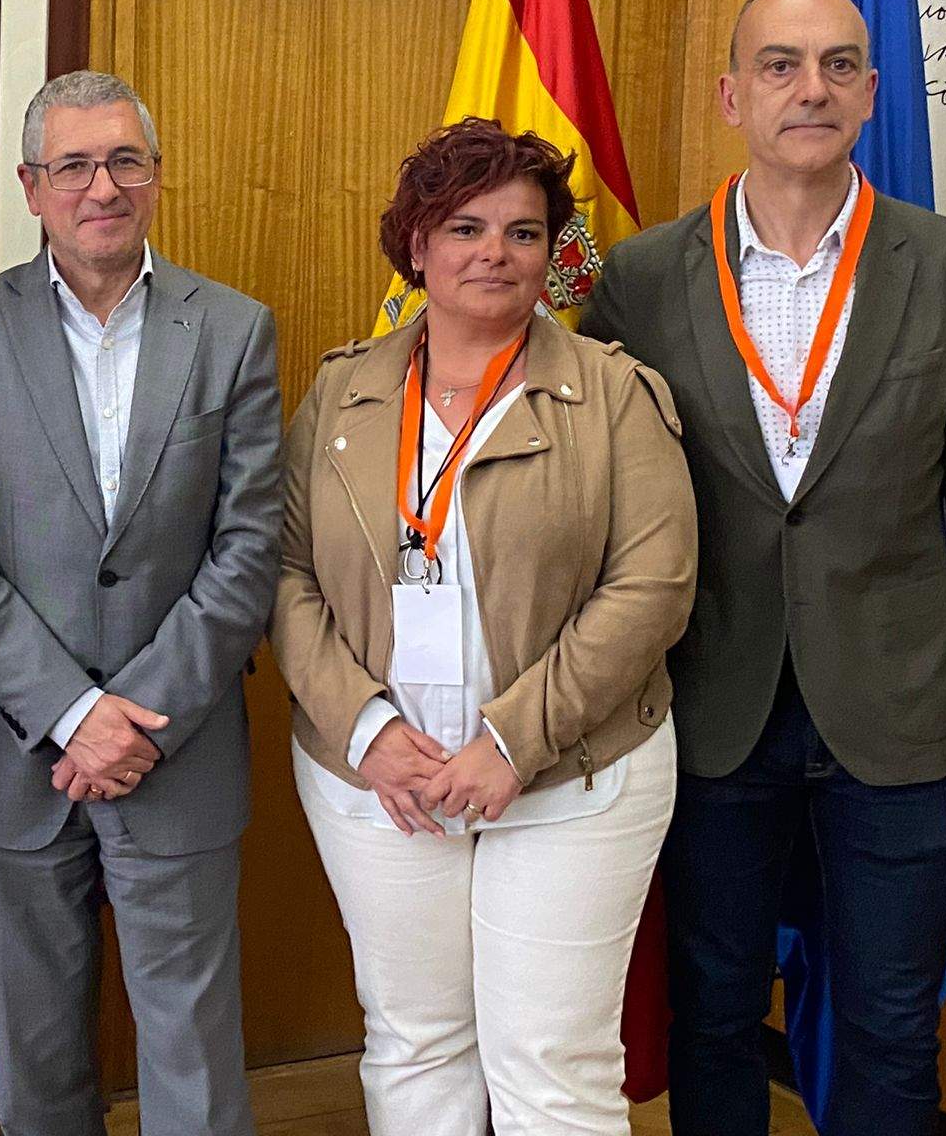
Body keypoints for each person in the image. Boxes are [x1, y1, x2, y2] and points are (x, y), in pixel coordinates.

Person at [581, 0, 946, 1136]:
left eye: (838, 64)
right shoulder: (638, 280)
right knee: (715, 1011)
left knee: (890, 1020)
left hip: (896, 715)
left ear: (872, 93)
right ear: (732, 93)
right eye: (780, 65)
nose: (810, 88)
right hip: (706, 709)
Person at [271, 116, 695, 1136]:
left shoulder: (612, 394)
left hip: (571, 776)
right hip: (380, 779)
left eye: (522, 231)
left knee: (550, 1064)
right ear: (415, 246)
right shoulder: (343, 391)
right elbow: (283, 575)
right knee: (413, 1044)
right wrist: (365, 734)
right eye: (463, 228)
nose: (492, 254)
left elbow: (653, 585)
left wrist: (513, 740)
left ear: (552, 253)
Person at [0, 70, 281, 1136]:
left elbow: (249, 544)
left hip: (180, 746)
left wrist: (136, 720)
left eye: (123, 160)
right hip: (19, 751)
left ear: (155, 178)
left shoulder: (232, 329)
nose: (101, 186)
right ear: (31, 188)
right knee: (34, 1060)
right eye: (72, 165)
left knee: (193, 1058)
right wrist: (75, 716)